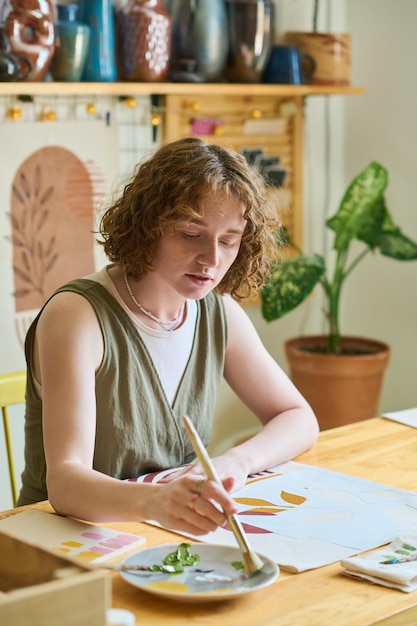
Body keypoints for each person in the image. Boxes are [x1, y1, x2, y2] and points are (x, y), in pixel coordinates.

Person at [17, 137, 319, 536]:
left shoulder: (218, 312)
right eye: (191, 234)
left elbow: (298, 418)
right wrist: (156, 503)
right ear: (148, 226)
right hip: (58, 544)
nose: (212, 259)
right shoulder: (77, 316)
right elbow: (65, 484)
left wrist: (236, 462)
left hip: (160, 534)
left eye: (228, 241)